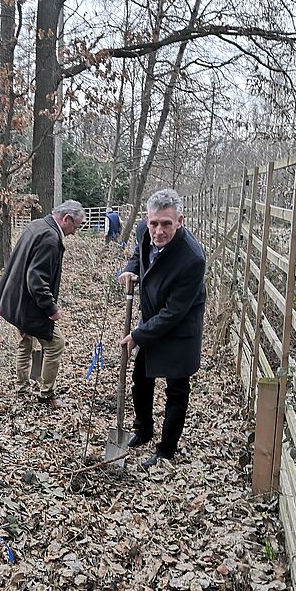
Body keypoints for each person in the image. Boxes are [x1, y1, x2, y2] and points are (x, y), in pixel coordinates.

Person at [119, 189, 205, 469]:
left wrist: (138, 334)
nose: (158, 231)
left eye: (166, 224)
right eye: (154, 223)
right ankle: (143, 430)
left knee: (176, 390)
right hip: (152, 318)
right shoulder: (144, 230)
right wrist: (131, 268)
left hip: (179, 330)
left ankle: (166, 449)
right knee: (141, 379)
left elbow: (174, 313)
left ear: (180, 221)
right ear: (147, 219)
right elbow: (138, 253)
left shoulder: (192, 258)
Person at [0, 200, 85, 407]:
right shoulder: (50, 238)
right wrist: (51, 308)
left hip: (14, 300)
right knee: (56, 344)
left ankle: (22, 388)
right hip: (28, 304)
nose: (74, 232)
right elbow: (36, 279)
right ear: (67, 219)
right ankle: (47, 395)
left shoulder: (36, 225)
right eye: (76, 226)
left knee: (25, 343)